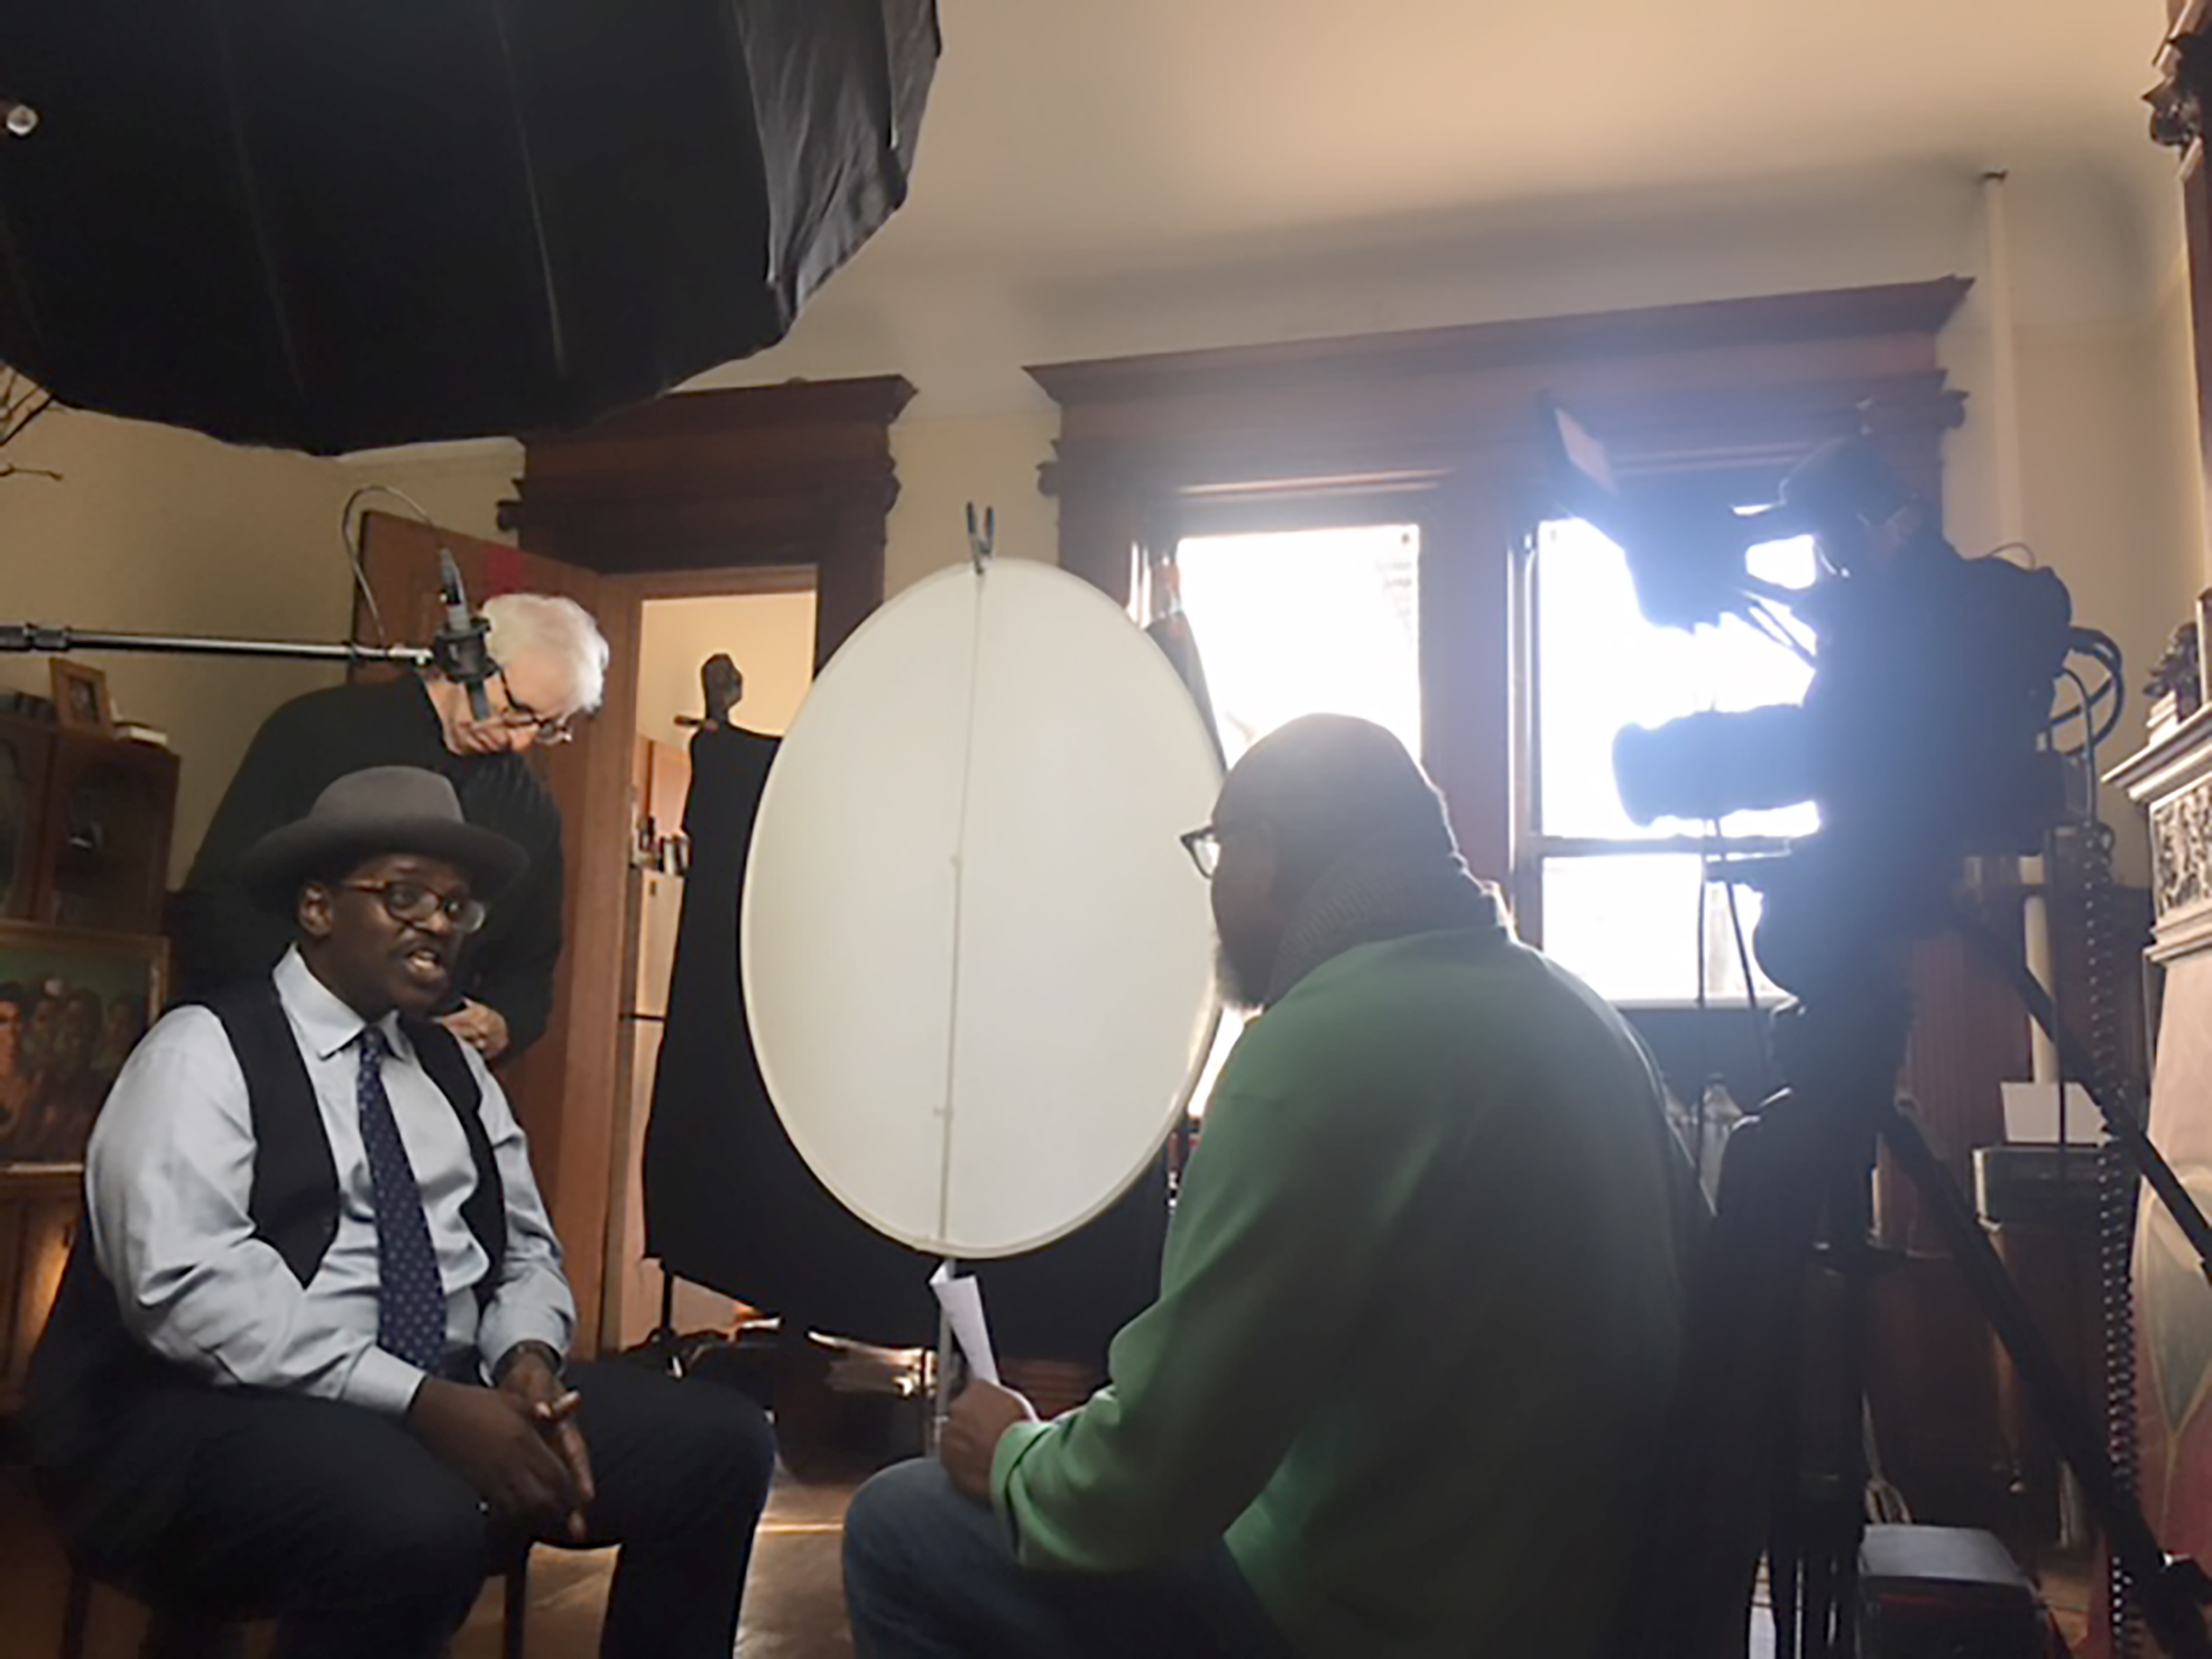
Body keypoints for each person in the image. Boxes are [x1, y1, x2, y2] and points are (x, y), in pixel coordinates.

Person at [841, 714, 1700, 1659]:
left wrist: (1009, 1456)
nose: (1211, 893)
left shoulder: (1311, 1052)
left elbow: (1151, 1488)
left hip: (1371, 1621)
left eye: (1214, 853)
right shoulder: (1589, 1023)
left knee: (899, 1524)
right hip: (1575, 1605)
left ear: (1267, 855)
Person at [27, 766, 775, 1659]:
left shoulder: (455, 1072)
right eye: (405, 895)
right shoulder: (202, 1052)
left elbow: (526, 1251)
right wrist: (421, 1402)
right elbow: (187, 1291)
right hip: (209, 1418)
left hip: (451, 1390)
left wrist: (527, 1361)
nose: (438, 925)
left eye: (457, 908)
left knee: (720, 1445)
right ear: (316, 909)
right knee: (414, 1519)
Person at [172, 592, 608, 1063]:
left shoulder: (532, 811)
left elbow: (529, 969)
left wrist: (502, 1024)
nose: (520, 740)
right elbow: (220, 902)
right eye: (515, 709)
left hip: (417, 1069)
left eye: (547, 727)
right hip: (263, 1040)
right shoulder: (317, 729)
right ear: (467, 658)